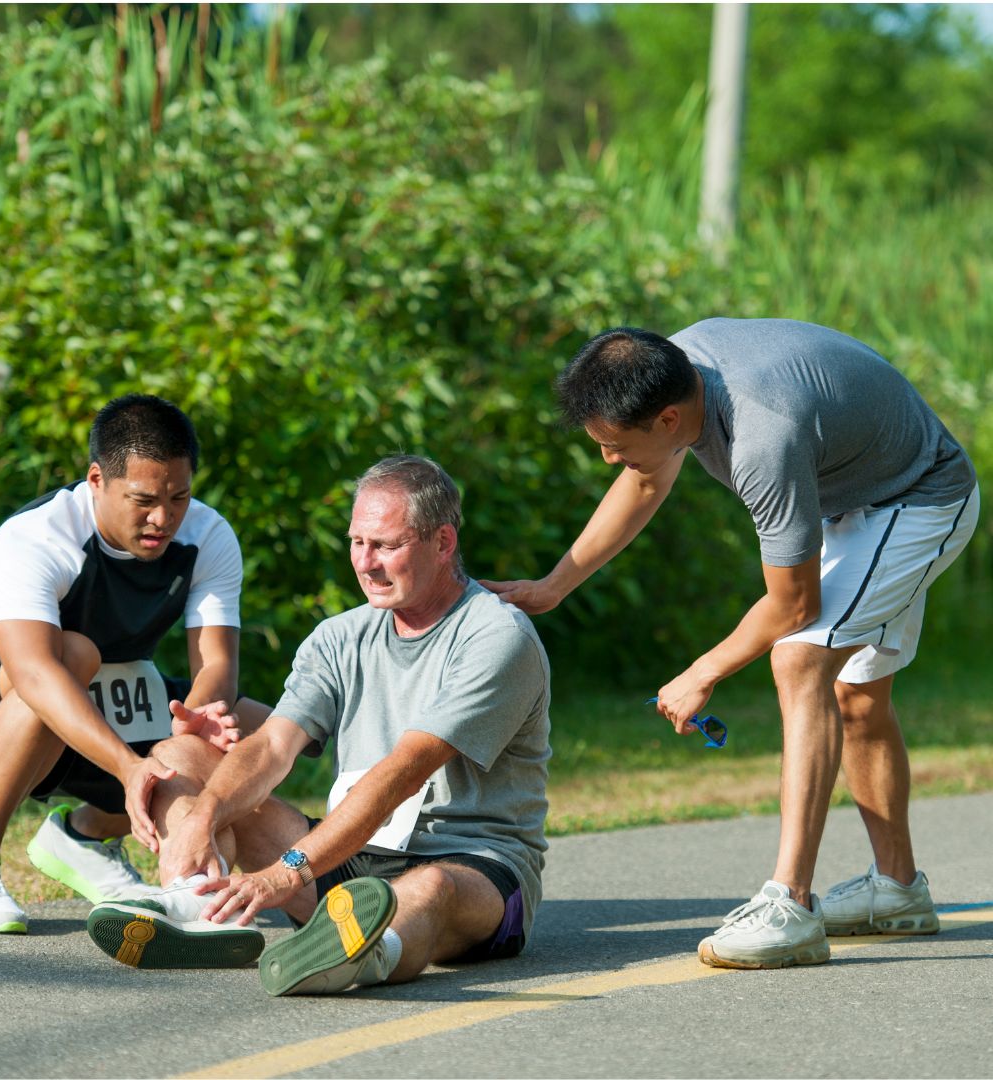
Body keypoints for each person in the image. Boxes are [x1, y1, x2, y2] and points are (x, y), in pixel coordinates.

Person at [482, 318, 978, 970]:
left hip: (917, 498)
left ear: (667, 420)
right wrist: (555, 584)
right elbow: (643, 477)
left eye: (612, 443)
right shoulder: (676, 368)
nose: (606, 456)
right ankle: (897, 892)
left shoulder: (761, 434)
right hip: (856, 495)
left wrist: (703, 671)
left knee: (800, 657)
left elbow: (794, 603)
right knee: (856, 695)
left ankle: (790, 908)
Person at [85, 455, 552, 996]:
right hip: (347, 858)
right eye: (358, 542)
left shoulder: (495, 635)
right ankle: (200, 904)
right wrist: (204, 816)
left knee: (430, 886)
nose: (367, 563)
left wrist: (288, 872)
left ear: (443, 542)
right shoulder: (339, 637)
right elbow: (274, 746)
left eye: (387, 545)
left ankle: (369, 952)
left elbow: (404, 770)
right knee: (177, 756)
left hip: (475, 865)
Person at [0, 394, 269, 934]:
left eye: (179, 496)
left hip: (93, 693)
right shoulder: (39, 534)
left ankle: (83, 839)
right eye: (143, 499)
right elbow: (33, 672)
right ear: (97, 480)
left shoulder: (209, 535)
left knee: (250, 719)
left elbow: (216, 664)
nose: (163, 518)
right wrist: (130, 767)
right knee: (73, 655)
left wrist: (194, 728)